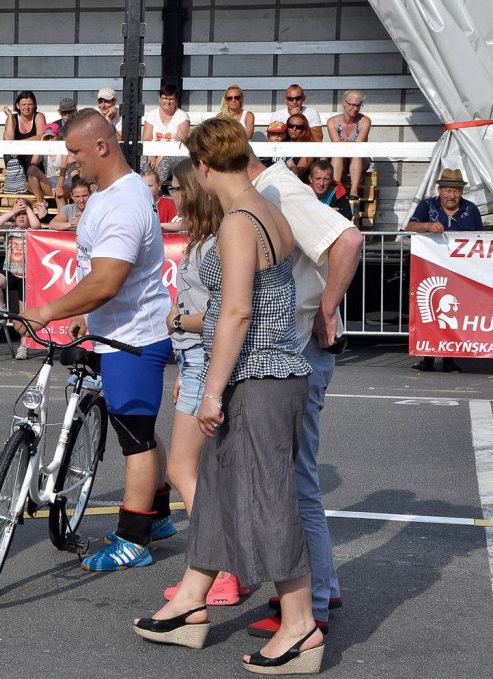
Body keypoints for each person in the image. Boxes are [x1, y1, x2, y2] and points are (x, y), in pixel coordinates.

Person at [133, 117, 323, 675]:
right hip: (271, 371)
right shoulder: (270, 211)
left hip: (257, 376)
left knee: (269, 500)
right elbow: (241, 307)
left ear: (205, 164)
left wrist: (212, 392)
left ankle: (300, 624)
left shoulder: (241, 220)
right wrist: (192, 320)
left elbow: (239, 313)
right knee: (215, 489)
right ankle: (192, 600)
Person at [17, 109, 176, 571]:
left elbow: (106, 281)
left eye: (74, 152)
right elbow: (99, 274)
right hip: (118, 331)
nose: (68, 163)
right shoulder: (111, 193)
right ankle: (159, 512)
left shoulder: (125, 200)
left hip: (134, 338)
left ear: (102, 147)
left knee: (136, 440)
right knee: (138, 426)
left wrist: (47, 310)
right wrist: (87, 314)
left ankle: (135, 538)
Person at [246, 139, 363, 641]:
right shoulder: (271, 185)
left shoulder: (274, 186)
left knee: (295, 482)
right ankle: (322, 587)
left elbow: (349, 240)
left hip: (301, 347)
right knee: (299, 479)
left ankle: (310, 602)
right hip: (297, 344)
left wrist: (328, 308)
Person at [159, 159, 247, 607]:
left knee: (182, 470)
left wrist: (178, 320)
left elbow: (221, 314)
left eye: (174, 187)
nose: (169, 194)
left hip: (204, 362)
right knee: (202, 474)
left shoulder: (215, 243)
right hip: (195, 363)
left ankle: (220, 572)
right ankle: (227, 568)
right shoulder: (205, 239)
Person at [406, 168, 480, 373]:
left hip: (461, 272)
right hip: (430, 269)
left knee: (455, 312)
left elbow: (479, 237)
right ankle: (427, 358)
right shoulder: (427, 206)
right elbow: (410, 226)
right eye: (447, 190)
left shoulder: (471, 209)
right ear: (439, 190)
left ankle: (449, 359)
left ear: (461, 192)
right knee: (429, 310)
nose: (452, 195)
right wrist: (428, 226)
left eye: (456, 191)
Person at [0, 198, 42, 360]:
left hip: (27, 275)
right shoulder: (9, 228)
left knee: (23, 313)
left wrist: (28, 209)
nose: (22, 217)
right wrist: (13, 211)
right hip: (10, 271)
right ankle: (2, 310)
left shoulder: (32, 229)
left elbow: (37, 225)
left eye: (25, 214)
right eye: (19, 215)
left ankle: (24, 345)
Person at [326, 90, 372, 199]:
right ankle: (336, 189)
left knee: (356, 153)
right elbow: (336, 144)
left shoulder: (364, 121)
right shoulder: (332, 122)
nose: (355, 108)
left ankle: (354, 190)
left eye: (358, 106)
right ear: (344, 103)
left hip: (359, 159)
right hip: (341, 157)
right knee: (337, 153)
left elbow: (359, 144)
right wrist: (348, 143)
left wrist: (347, 142)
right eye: (352, 105)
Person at [142, 84, 190, 183]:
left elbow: (179, 142)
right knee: (143, 159)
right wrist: (151, 153)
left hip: (174, 154)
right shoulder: (152, 114)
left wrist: (162, 155)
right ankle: (146, 185)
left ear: (176, 100)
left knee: (166, 162)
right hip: (153, 151)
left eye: (171, 99)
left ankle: (156, 186)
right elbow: (146, 138)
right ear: (159, 99)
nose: (167, 102)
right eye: (165, 98)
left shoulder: (182, 117)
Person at [3, 90, 46, 176]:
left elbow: (41, 136)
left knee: (35, 155)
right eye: (23, 104)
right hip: (17, 154)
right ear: (18, 106)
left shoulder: (39, 116)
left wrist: (19, 144)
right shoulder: (13, 118)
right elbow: (7, 140)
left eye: (29, 104)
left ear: (34, 105)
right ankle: (16, 182)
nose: (26, 107)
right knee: (7, 153)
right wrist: (10, 116)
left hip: (33, 153)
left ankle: (30, 181)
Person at [26, 122, 66, 207]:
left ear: (58, 136)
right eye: (47, 137)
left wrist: (59, 187)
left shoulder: (63, 148)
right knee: (30, 174)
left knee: (59, 195)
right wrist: (41, 143)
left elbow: (64, 168)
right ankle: (40, 202)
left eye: (52, 137)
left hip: (63, 183)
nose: (50, 140)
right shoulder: (45, 150)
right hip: (49, 183)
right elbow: (33, 163)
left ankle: (62, 217)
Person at [283, 113, 314, 180]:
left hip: (299, 182)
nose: (294, 129)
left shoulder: (309, 147)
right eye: (291, 126)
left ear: (304, 129)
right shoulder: (282, 142)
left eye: (299, 127)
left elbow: (298, 173)